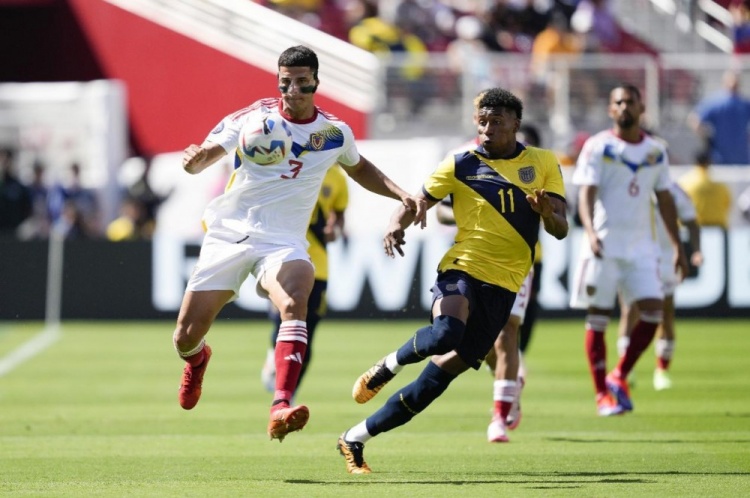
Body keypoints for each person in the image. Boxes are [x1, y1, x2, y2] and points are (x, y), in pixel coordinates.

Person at [175, 45, 426, 443]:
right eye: (285, 81)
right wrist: (194, 161)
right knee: (185, 337)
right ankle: (198, 359)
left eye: (301, 82)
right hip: (230, 232)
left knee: (295, 301)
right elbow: (206, 155)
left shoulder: (332, 133)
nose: (292, 89)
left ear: (316, 82)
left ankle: (280, 405)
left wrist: (402, 194)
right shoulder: (252, 118)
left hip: (283, 240)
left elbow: (360, 167)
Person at [336, 87, 569, 473]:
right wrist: (395, 224)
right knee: (446, 332)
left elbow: (560, 229)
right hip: (462, 267)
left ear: (516, 124)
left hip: (506, 285)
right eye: (483, 121)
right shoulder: (460, 163)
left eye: (497, 121)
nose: (487, 128)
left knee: (437, 380)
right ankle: (388, 365)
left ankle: (355, 437)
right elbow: (418, 201)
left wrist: (546, 213)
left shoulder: (543, 162)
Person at [570, 83, 689, 417]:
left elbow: (665, 200)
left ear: (641, 107)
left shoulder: (655, 151)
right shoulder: (598, 146)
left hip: (640, 248)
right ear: (611, 109)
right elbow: (586, 194)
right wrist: (590, 231)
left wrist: (678, 246)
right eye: (618, 102)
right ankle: (601, 395)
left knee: (654, 311)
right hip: (603, 244)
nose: (624, 107)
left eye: (630, 102)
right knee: (598, 319)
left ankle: (619, 374)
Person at [260, 164, 349, 398]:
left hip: (318, 266)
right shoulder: (289, 164)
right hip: (285, 260)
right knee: (281, 323)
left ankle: (289, 393)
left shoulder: (338, 177)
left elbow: (340, 216)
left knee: (307, 334)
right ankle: (274, 353)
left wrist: (335, 231)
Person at [616, 181, 702, 391]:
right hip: (633, 257)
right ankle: (626, 369)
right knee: (630, 311)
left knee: (666, 313)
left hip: (665, 259)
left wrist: (696, 250)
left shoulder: (673, 191)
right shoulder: (627, 182)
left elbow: (691, 221)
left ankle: (662, 371)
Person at [687, 70, 750, 165]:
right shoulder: (717, 103)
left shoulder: (743, 104)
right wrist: (707, 138)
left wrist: (706, 138)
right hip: (724, 157)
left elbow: (694, 119)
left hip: (735, 156)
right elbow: (695, 120)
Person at [677, 148, 733, 229]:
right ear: (709, 162)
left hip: (693, 227)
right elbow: (728, 203)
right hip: (718, 226)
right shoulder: (720, 184)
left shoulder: (684, 182)